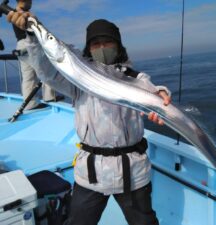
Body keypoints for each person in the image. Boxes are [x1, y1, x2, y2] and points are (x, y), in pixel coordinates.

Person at [7, 10, 172, 225]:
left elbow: (152, 91)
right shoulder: (78, 81)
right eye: (96, 44)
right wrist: (29, 37)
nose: (102, 48)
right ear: (88, 49)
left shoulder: (136, 79)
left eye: (107, 42)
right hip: (91, 173)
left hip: (133, 172)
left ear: (118, 46)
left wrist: (161, 94)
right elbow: (48, 72)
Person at [12, 0, 63, 110]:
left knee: (28, 77)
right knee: (46, 69)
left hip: (20, 46)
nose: (31, 3)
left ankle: (30, 104)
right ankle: (49, 97)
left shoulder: (13, 13)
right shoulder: (23, 14)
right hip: (29, 44)